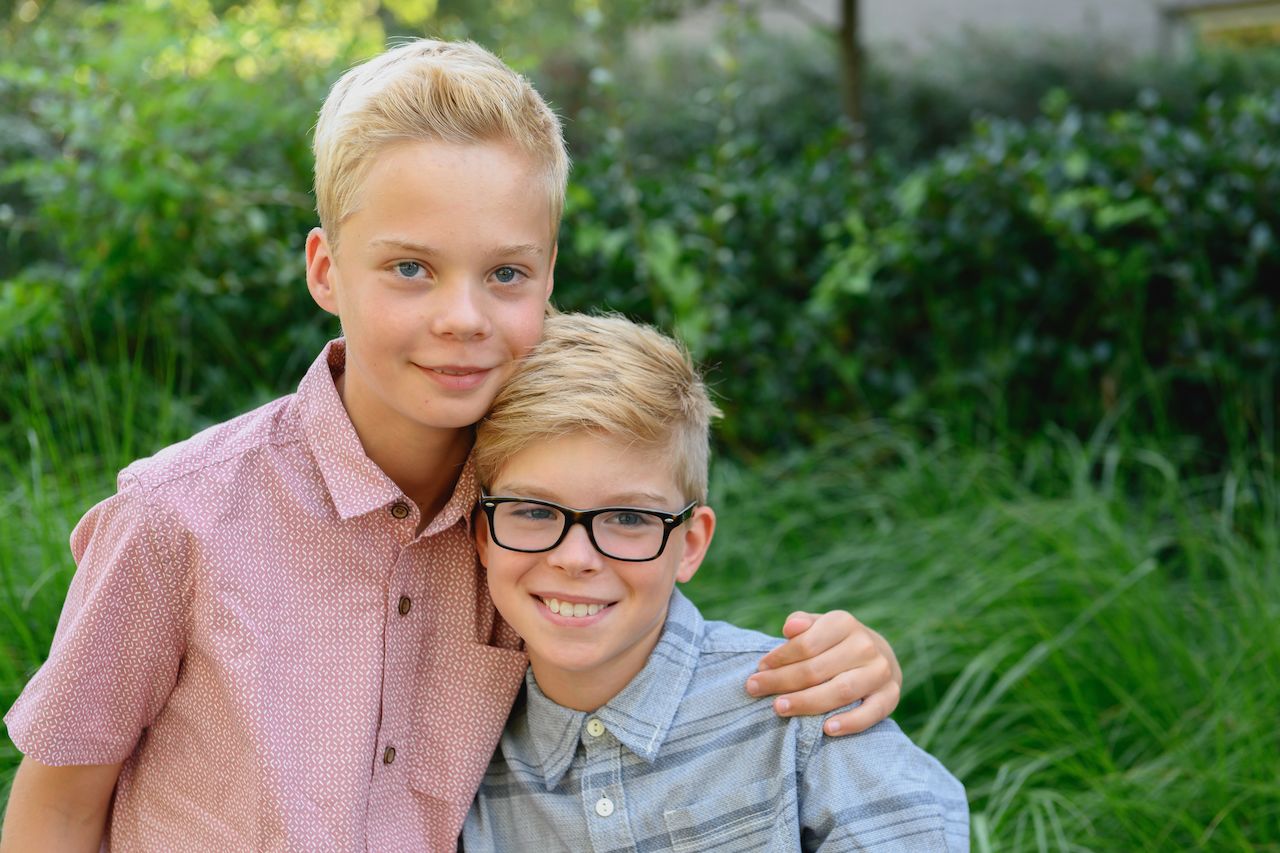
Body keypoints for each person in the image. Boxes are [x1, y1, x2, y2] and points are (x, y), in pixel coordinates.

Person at [2, 39, 904, 852]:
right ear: (325, 269)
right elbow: (59, 808)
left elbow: (646, 634)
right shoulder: (179, 517)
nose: (461, 318)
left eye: (505, 273)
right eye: (410, 268)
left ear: (548, 278)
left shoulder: (537, 524)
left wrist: (841, 658)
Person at [464, 313, 968, 851]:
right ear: (483, 536)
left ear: (692, 544)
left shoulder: (803, 709)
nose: (575, 557)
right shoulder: (465, 756)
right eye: (535, 512)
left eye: (630, 519)